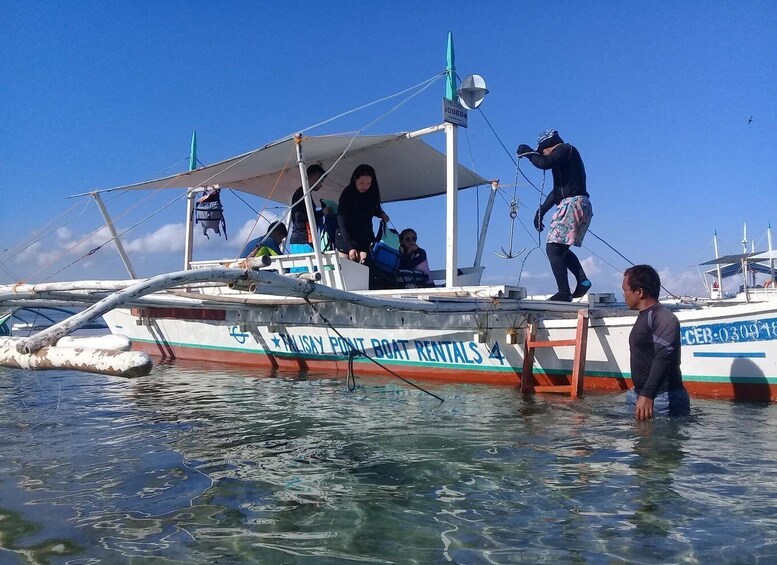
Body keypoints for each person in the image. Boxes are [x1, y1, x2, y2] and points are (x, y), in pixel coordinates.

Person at [517, 129, 592, 302]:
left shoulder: (565, 148)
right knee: (560, 248)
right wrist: (541, 211)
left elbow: (544, 162)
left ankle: (564, 292)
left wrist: (529, 153)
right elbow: (557, 192)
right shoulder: (567, 160)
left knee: (553, 248)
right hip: (581, 204)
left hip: (573, 203)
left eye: (542, 151)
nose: (542, 154)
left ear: (547, 146)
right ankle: (582, 280)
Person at [622, 264, 691, 420]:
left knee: (656, 444)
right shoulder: (644, 316)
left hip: (661, 399)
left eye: (625, 290)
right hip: (639, 395)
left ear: (639, 292)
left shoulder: (663, 317)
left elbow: (664, 355)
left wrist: (648, 394)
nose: (624, 295)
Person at [335, 164, 389, 264]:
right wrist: (350, 246)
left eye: (368, 183)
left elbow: (372, 209)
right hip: (345, 236)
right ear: (355, 179)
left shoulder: (371, 195)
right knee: (347, 270)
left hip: (364, 237)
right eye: (361, 183)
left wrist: (381, 214)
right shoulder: (347, 193)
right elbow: (341, 221)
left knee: (364, 266)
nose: (364, 186)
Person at [288, 164, 332, 255]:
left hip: (303, 239)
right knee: (308, 268)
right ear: (315, 178)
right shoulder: (302, 194)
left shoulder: (303, 193)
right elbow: (299, 215)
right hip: (303, 240)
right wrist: (322, 213)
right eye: (321, 181)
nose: (321, 185)